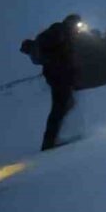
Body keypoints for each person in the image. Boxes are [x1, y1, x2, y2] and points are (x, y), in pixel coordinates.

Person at [31, 14, 82, 151]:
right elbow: (58, 55)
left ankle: (53, 139)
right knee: (59, 108)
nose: (78, 28)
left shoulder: (64, 34)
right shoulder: (59, 31)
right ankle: (49, 142)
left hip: (58, 75)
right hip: (58, 75)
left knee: (65, 104)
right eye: (77, 24)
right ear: (71, 22)